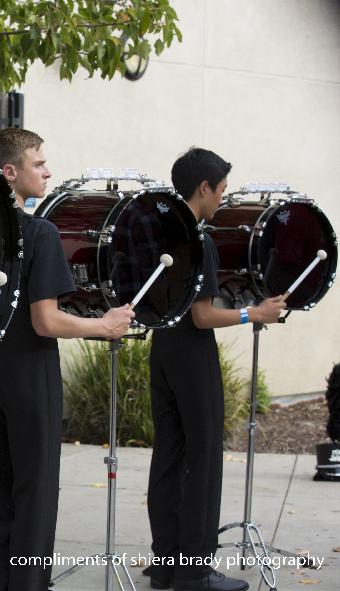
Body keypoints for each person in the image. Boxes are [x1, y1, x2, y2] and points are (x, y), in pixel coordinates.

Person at [0, 128, 134, 590]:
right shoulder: (39, 232)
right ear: (9, 172)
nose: (48, 171)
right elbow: (45, 321)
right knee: (35, 500)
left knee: (3, 498)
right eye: (39, 163)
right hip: (30, 376)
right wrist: (104, 325)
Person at [143, 148, 285, 591]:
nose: (223, 198)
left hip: (162, 348)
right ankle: (195, 571)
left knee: (168, 456)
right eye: (221, 190)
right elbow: (202, 316)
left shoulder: (158, 229)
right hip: (192, 352)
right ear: (203, 188)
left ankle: (165, 564)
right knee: (203, 460)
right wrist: (253, 313)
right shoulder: (196, 238)